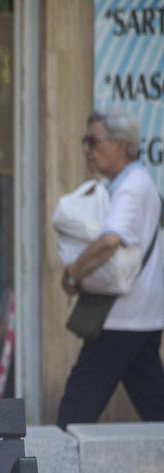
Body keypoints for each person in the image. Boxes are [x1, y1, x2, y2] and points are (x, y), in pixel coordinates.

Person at [57, 109, 164, 428]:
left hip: (121, 318)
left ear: (119, 144)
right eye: (84, 141)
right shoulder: (132, 183)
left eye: (93, 141)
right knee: (156, 406)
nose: (86, 149)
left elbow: (109, 240)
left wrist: (73, 273)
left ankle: (56, 462)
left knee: (74, 413)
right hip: (139, 316)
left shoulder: (131, 187)